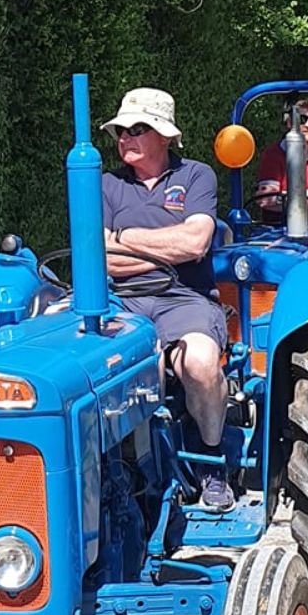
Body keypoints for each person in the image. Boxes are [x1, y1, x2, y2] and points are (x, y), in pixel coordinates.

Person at [99, 88, 232, 510]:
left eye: (137, 129)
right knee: (128, 365)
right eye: (120, 131)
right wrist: (158, 248)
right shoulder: (106, 185)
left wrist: (127, 242)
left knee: (200, 361)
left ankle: (212, 461)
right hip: (124, 301)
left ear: (163, 135)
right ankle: (130, 472)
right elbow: (102, 259)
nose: (125, 138)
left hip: (184, 297)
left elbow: (195, 242)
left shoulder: (196, 175)